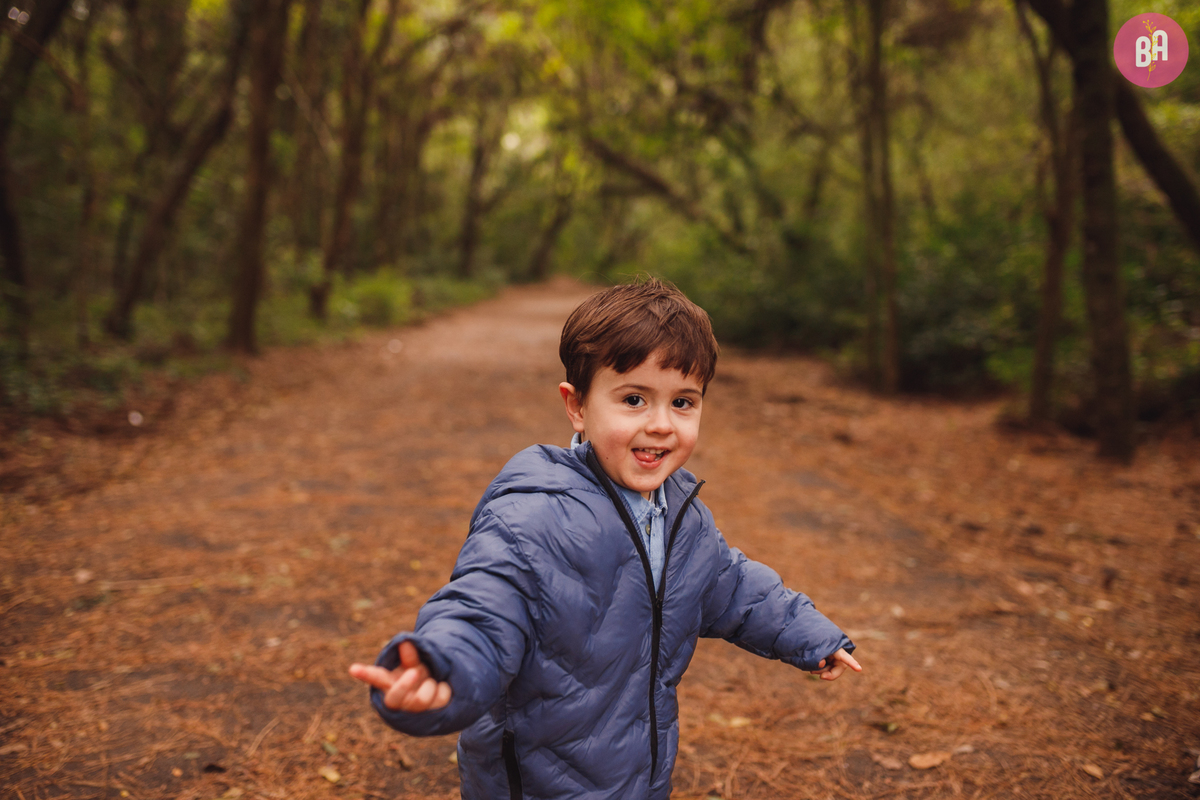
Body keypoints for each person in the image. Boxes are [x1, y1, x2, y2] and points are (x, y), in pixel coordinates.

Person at [349, 278, 861, 800]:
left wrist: (806, 631)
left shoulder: (681, 512)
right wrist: (442, 669)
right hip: (537, 779)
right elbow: (485, 608)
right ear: (577, 406)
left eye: (683, 402)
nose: (662, 425)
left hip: (637, 765)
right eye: (634, 399)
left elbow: (728, 585)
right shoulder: (534, 517)